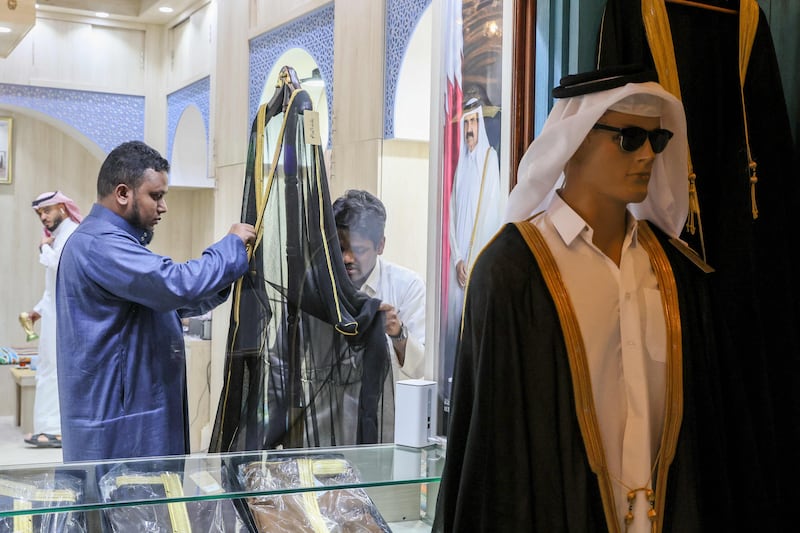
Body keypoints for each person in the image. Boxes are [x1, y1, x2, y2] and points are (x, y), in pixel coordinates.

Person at [433, 66, 738, 532]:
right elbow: (492, 458)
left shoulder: (679, 277)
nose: (647, 156)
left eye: (656, 142)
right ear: (573, 139)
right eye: (629, 138)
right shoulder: (513, 273)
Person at [56, 140, 256, 462]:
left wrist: (224, 278)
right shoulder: (100, 244)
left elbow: (166, 304)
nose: (163, 207)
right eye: (156, 196)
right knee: (130, 507)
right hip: (123, 429)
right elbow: (173, 284)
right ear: (123, 193)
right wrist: (229, 247)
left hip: (137, 416)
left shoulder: (112, 242)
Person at [443, 96, 504, 424]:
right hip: (461, 270)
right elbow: (452, 216)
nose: (468, 129)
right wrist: (457, 260)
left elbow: (491, 219)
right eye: (465, 123)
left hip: (477, 271)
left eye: (473, 122)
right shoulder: (462, 166)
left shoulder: (490, 161)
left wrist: (475, 263)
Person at [332, 189, 426, 384]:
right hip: (332, 410)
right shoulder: (321, 287)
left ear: (380, 246)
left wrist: (398, 333)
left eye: (359, 250)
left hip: (388, 411)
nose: (347, 258)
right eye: (340, 249)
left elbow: (420, 369)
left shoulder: (408, 287)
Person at [22, 191, 83, 448]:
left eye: (47, 211)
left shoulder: (72, 235)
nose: (43, 217)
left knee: (56, 371)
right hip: (53, 315)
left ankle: (56, 430)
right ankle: (47, 428)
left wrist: (44, 247)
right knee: (47, 369)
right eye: (39, 214)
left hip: (66, 319)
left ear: (62, 207)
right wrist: (38, 310)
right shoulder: (58, 238)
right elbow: (52, 287)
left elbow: (60, 267)